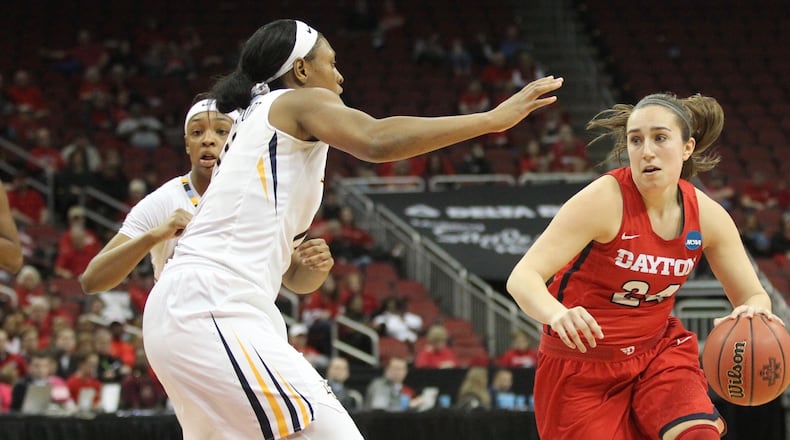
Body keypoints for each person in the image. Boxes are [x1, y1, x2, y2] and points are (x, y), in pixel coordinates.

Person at [141, 18, 561, 440]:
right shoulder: (290, 103)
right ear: (302, 71)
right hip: (211, 305)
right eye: (331, 63)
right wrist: (490, 120)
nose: (340, 75)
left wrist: (311, 270)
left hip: (205, 310)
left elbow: (294, 280)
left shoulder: (262, 133)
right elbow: (375, 139)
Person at [506, 92, 781, 440]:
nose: (646, 150)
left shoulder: (708, 217)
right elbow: (523, 277)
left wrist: (752, 314)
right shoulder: (603, 201)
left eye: (660, 137)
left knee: (699, 435)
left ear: (687, 147)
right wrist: (556, 313)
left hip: (657, 353)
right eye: (636, 140)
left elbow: (753, 294)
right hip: (582, 367)